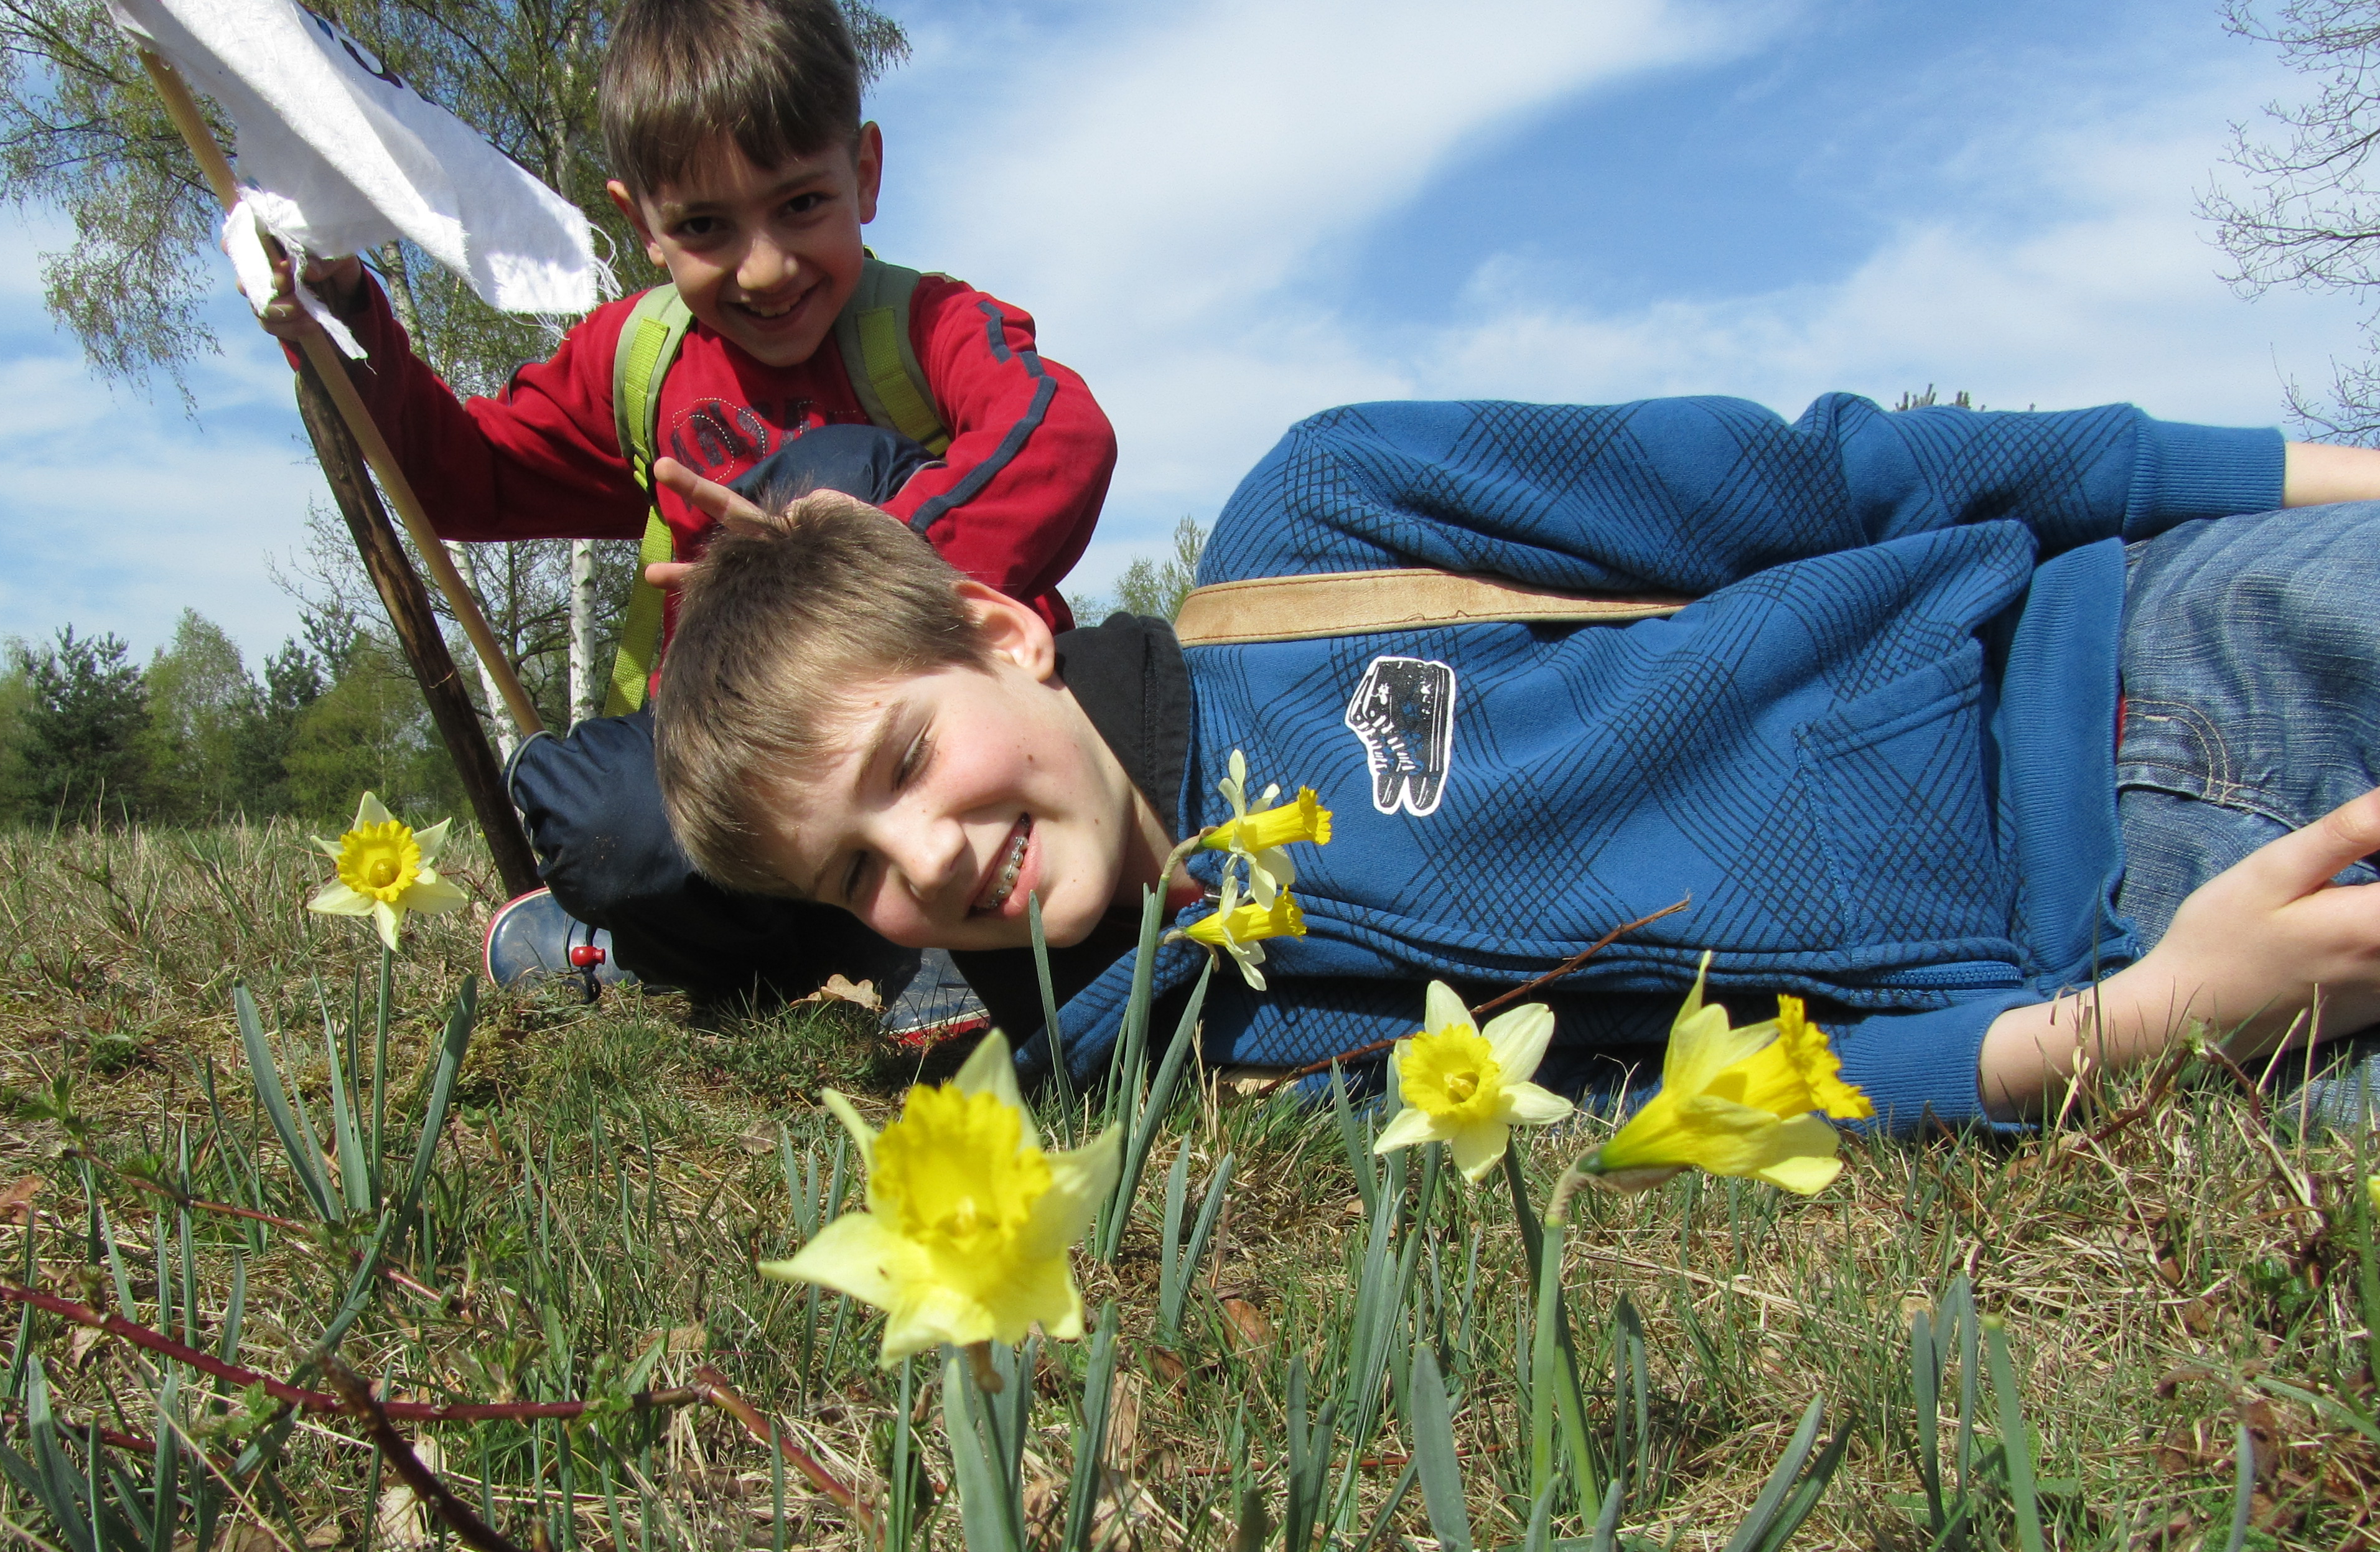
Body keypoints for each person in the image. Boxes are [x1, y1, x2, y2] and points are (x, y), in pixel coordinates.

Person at [647, 390, 2380, 1129]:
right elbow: (1685, 1112)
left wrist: (2334, 482)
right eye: (853, 874)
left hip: (2152, 648)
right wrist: (2144, 1022)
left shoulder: (1318, 529)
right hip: (2180, 974)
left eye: (904, 761)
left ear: (1003, 633)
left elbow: (1832, 477)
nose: (926, 862)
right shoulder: (1220, 1069)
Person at [258, 0, 1114, 1035]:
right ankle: (685, 946)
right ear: (643, 224)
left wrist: (845, 564)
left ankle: (921, 942)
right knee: (596, 814)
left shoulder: (927, 328)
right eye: (706, 226)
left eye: (801, 203)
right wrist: (345, 311)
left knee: (828, 478)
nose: (763, 267)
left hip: (922, 780)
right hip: (755, 789)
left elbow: (1061, 434)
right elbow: (460, 479)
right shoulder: (637, 360)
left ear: (867, 174)